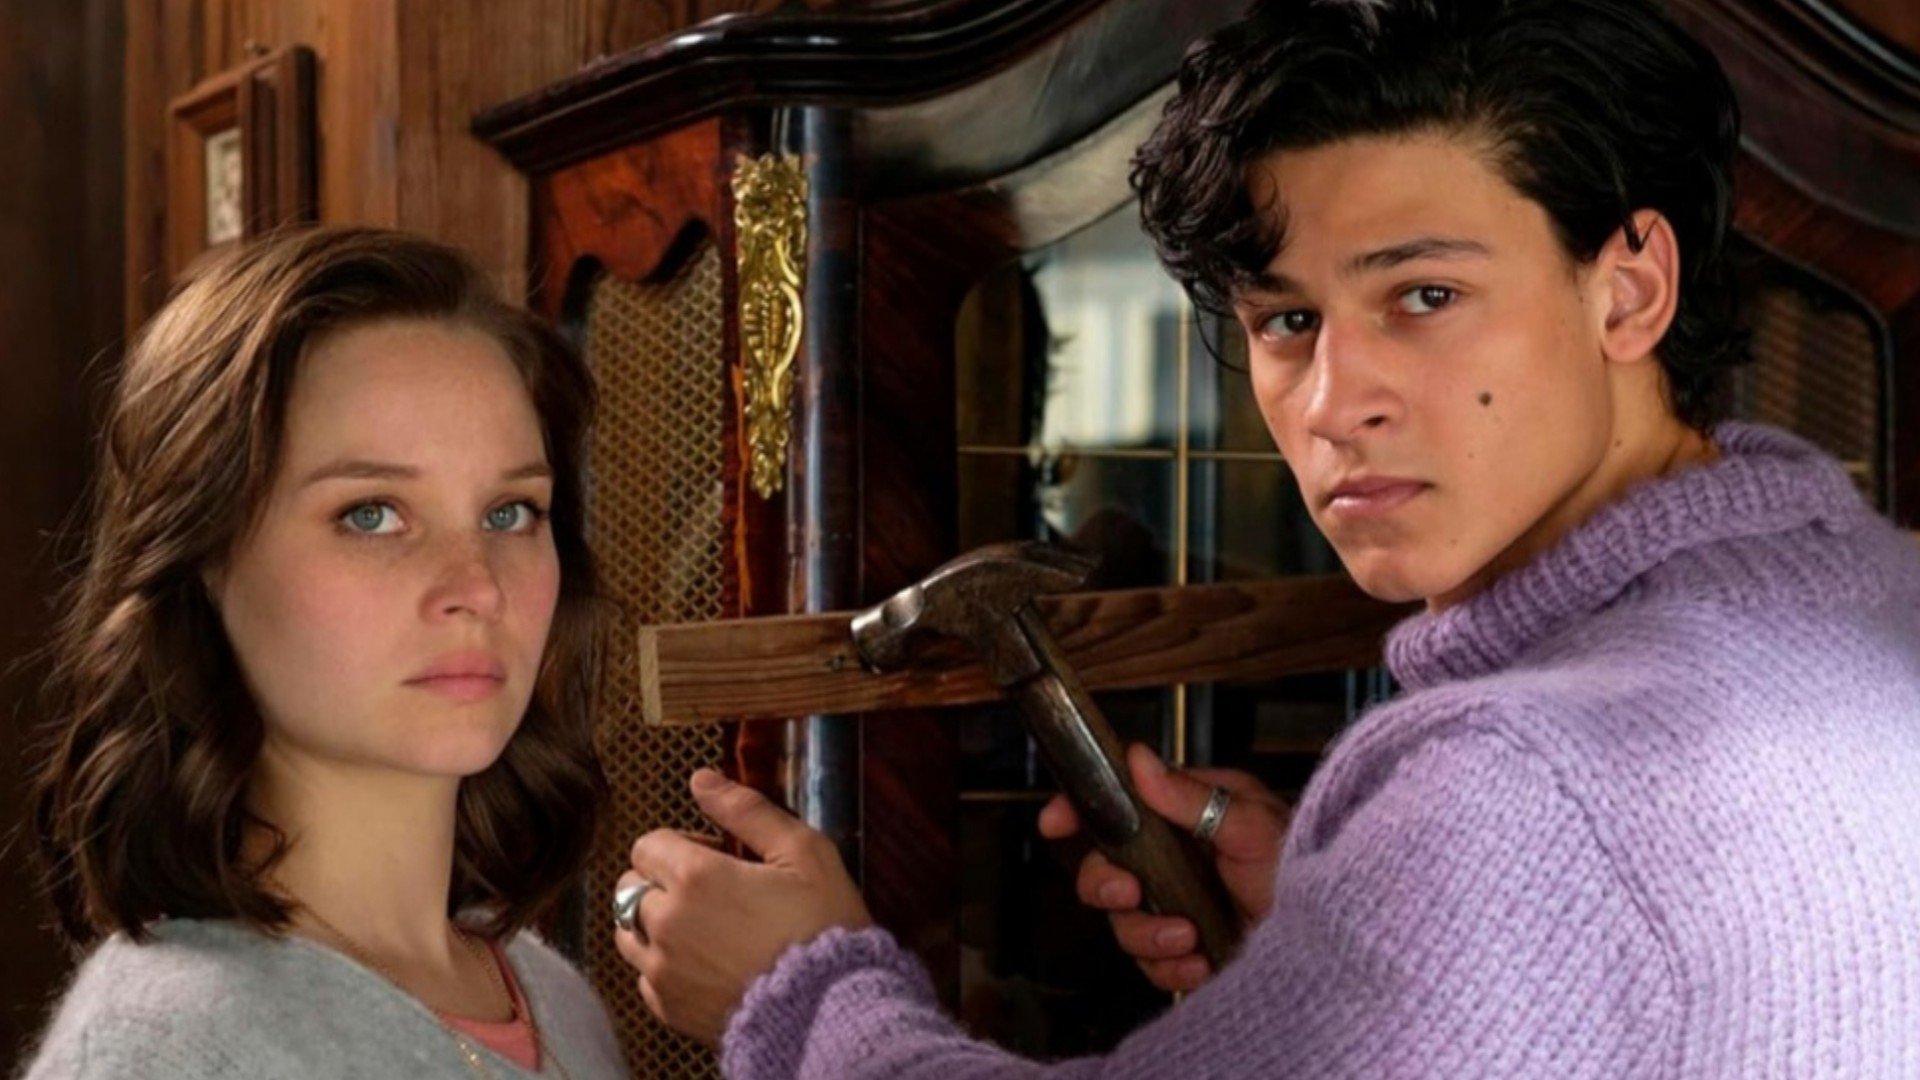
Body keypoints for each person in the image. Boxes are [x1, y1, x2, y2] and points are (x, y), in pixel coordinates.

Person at [611, 0, 1920, 1076]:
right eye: (1287, 320)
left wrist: (797, 995)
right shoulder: (1880, 594)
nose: (1335, 402)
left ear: (1629, 289)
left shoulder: (1516, 782)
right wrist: (1341, 962)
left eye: (1425, 294)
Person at [23, 227, 627, 1079]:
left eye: (510, 513)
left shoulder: (556, 1001)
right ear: (205, 559)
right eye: (371, 514)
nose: (478, 587)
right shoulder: (161, 1050)